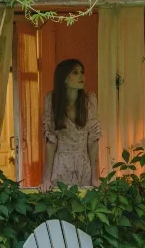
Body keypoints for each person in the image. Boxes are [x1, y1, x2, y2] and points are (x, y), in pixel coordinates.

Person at [40, 59, 102, 192]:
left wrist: (95, 177)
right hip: (60, 167)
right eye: (75, 72)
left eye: (82, 72)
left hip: (83, 166)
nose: (81, 76)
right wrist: (46, 179)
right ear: (63, 78)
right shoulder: (52, 100)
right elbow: (50, 141)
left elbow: (93, 140)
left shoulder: (89, 100)